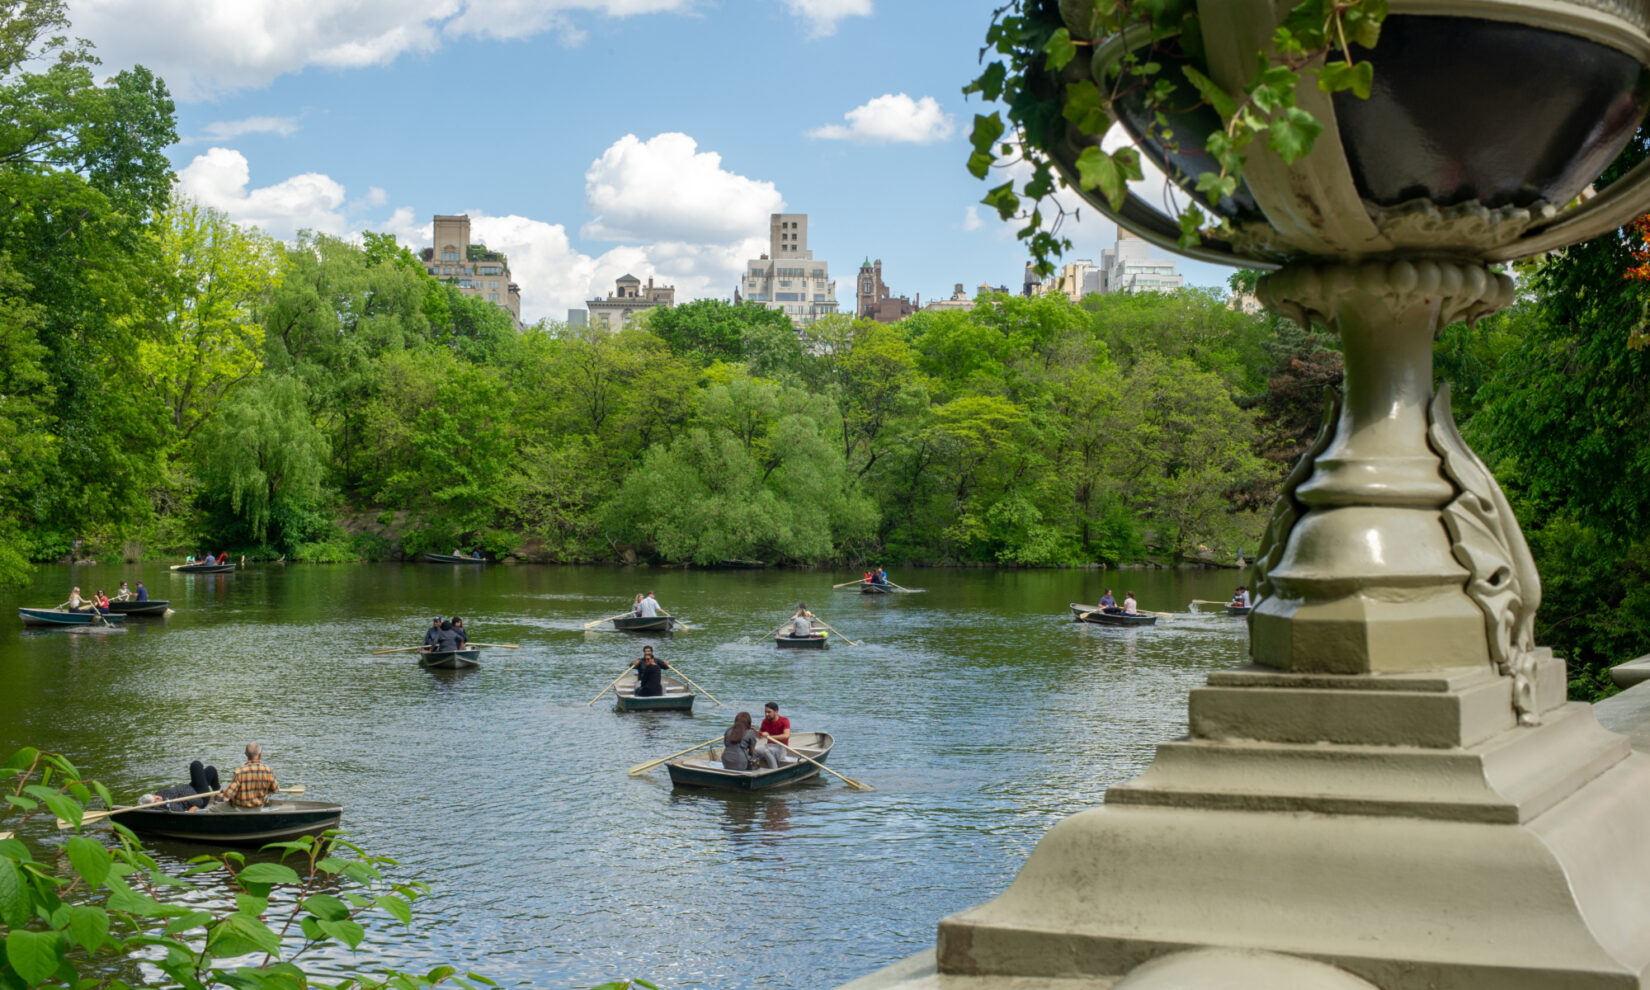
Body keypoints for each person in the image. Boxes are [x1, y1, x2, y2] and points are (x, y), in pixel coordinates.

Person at [220, 743, 278, 809]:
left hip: (239, 809)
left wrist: (224, 792)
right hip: (258, 808)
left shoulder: (239, 772)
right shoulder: (268, 771)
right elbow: (275, 789)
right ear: (260, 755)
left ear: (246, 754)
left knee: (212, 810)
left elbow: (228, 794)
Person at [756, 701, 790, 769]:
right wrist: (758, 734)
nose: (766, 714)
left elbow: (786, 736)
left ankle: (774, 770)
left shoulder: (784, 721)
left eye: (769, 712)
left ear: (776, 712)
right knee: (754, 750)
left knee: (767, 751)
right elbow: (759, 734)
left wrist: (769, 737)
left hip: (781, 748)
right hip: (768, 746)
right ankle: (752, 769)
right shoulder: (765, 721)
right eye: (765, 712)